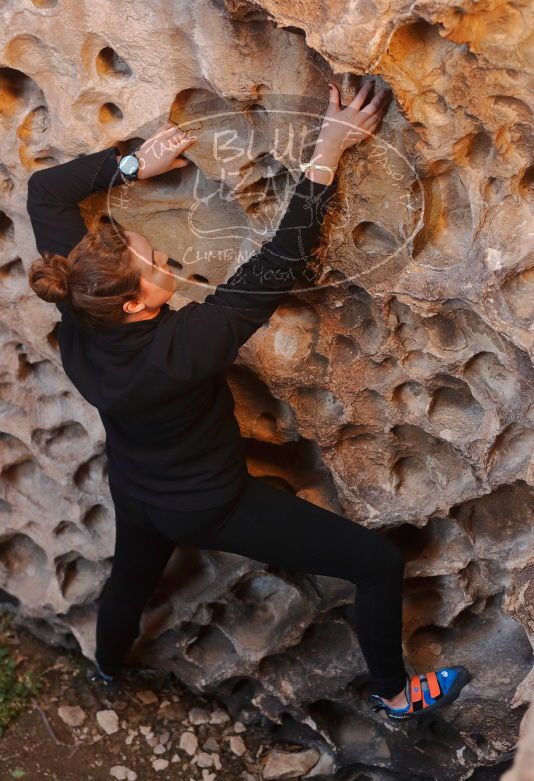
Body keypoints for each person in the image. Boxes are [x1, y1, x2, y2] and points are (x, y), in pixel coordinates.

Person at [26, 80, 470, 721]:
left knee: (130, 580)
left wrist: (129, 164)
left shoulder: (80, 304)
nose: (165, 260)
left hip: (134, 485)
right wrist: (328, 151)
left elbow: (46, 191)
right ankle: (394, 693)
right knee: (374, 563)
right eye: (157, 267)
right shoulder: (182, 346)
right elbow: (275, 264)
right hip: (211, 506)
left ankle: (105, 669)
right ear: (135, 305)